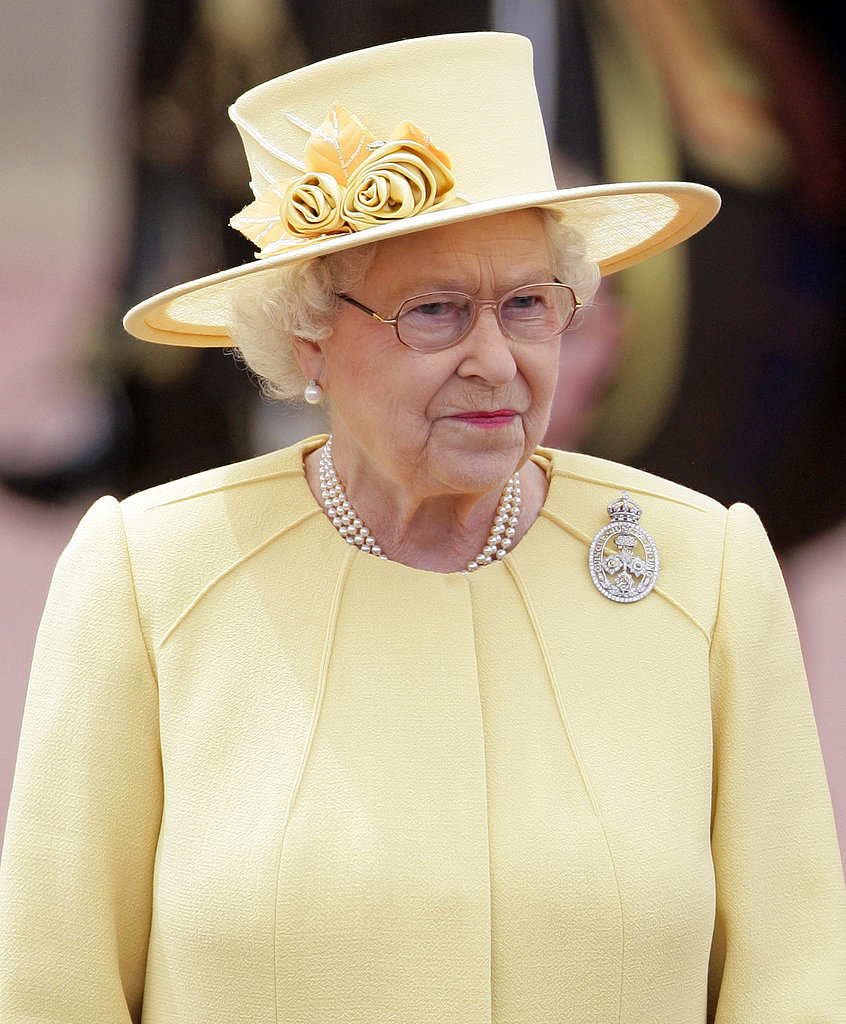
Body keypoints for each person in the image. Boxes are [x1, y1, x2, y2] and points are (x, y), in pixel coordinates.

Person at [1, 32, 844, 1023]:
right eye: (437, 311)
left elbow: (795, 983)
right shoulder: (146, 576)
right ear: (308, 332)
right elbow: (54, 993)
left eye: (530, 304)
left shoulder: (704, 570)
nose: (497, 359)